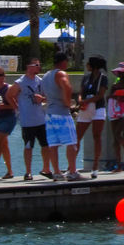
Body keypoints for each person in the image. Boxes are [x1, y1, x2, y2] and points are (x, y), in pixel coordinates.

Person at [41, 48, 81, 181]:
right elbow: (67, 86)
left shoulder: (46, 76)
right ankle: (73, 171)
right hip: (62, 113)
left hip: (50, 114)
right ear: (64, 62)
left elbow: (44, 93)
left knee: (53, 144)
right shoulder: (61, 74)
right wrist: (67, 102)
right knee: (71, 143)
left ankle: (57, 172)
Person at [8, 57, 49, 180]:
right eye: (36, 65)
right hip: (27, 121)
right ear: (29, 66)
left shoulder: (40, 81)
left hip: (40, 119)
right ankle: (28, 171)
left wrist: (41, 99)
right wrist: (17, 108)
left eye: (39, 65)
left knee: (45, 145)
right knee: (28, 146)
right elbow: (9, 95)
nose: (39, 67)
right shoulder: (20, 82)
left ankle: (46, 168)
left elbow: (47, 97)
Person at [75, 55, 108, 178]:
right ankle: (71, 166)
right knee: (77, 136)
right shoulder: (86, 78)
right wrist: (80, 100)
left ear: (93, 66)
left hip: (98, 108)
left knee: (96, 135)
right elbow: (81, 92)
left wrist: (87, 101)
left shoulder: (103, 78)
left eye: (88, 64)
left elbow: (100, 95)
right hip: (85, 108)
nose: (86, 65)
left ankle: (95, 166)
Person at [107, 64, 124, 170]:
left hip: (123, 111)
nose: (120, 74)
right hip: (113, 109)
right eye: (119, 72)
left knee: (118, 134)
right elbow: (109, 96)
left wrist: (117, 95)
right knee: (115, 138)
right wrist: (116, 94)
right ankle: (119, 165)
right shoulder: (115, 84)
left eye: (122, 72)